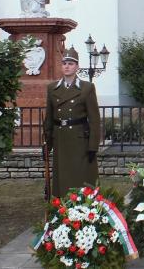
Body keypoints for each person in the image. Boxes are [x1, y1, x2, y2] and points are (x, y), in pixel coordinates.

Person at [44, 46, 101, 198]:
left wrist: (93, 146)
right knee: (62, 178)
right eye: (64, 64)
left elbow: (94, 119)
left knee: (80, 177)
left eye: (71, 63)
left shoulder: (87, 88)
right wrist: (47, 144)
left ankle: (82, 209)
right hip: (60, 139)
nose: (67, 66)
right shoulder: (52, 89)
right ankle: (62, 210)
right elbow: (49, 118)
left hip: (79, 140)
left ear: (77, 67)